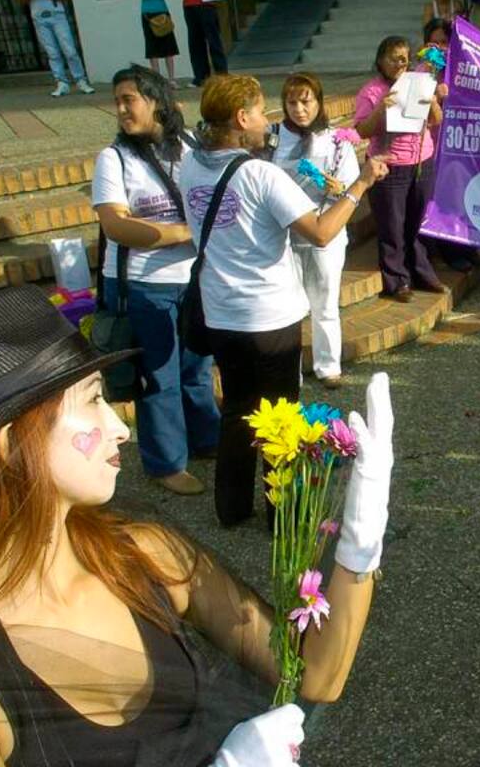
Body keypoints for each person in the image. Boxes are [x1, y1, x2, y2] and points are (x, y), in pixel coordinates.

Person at [0, 286, 393, 765]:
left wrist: (359, 543)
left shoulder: (145, 557)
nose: (121, 428)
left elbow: (316, 674)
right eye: (92, 400)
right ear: (9, 444)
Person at [179, 74, 387, 527]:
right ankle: (281, 515)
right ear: (241, 118)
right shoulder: (259, 173)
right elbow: (322, 231)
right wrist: (362, 183)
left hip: (220, 312)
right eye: (259, 112)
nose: (266, 121)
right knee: (280, 417)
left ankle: (231, 510)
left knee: (236, 409)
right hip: (269, 316)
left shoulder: (190, 167)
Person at [92, 64, 216, 497]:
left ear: (157, 101)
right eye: (118, 101)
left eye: (130, 99)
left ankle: (206, 439)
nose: (122, 109)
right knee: (159, 375)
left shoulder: (189, 145)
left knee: (197, 367)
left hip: (191, 278)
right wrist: (183, 233)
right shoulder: (114, 158)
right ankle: (165, 463)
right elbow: (117, 226)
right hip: (142, 285)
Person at [267, 72, 360, 390]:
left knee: (325, 303)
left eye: (305, 102)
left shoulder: (336, 142)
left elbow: (351, 192)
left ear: (318, 102)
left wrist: (338, 188)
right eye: (291, 102)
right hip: (284, 236)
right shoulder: (273, 137)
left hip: (325, 235)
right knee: (286, 309)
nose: (299, 109)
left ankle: (328, 365)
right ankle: (288, 372)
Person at [354, 36, 446, 302]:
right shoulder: (371, 92)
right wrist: (381, 108)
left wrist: (431, 100)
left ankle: (421, 273)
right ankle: (397, 281)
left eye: (404, 57)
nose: (399, 63)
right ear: (380, 61)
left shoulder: (419, 83)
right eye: (393, 57)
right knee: (392, 227)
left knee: (417, 223)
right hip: (388, 166)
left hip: (421, 161)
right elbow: (361, 131)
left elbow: (436, 120)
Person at [14, 0, 96, 98]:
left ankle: (81, 80)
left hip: (57, 15)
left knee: (69, 50)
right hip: (39, 17)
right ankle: (61, 83)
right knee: (52, 52)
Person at [173, 0, 227, 88]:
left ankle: (222, 75)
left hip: (206, 4)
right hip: (188, 5)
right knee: (195, 43)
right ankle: (201, 77)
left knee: (214, 42)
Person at [130, 0, 180, 88]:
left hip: (163, 11)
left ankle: (172, 79)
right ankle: (157, 80)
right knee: (153, 48)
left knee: (169, 46)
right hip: (148, 13)